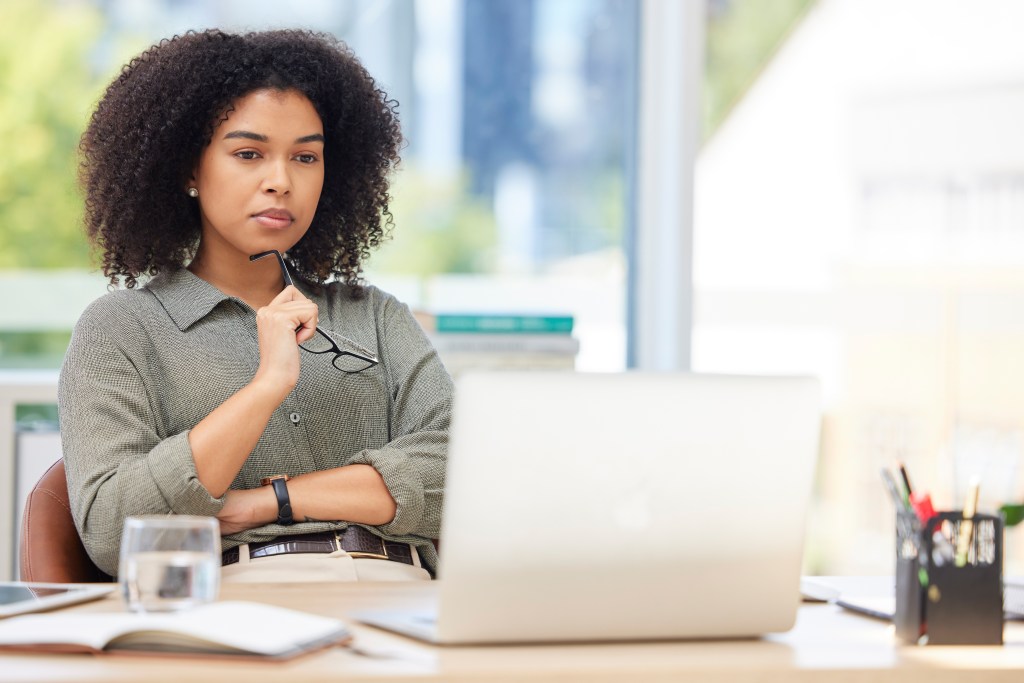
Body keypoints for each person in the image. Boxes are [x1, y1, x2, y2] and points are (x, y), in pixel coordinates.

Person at [59, 29, 452, 582]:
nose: (281, 181)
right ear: (189, 169)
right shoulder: (122, 328)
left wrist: (272, 501)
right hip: (238, 602)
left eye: (306, 157)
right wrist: (267, 386)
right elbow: (111, 529)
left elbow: (463, 475)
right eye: (249, 153)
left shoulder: (377, 316)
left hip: (406, 596)